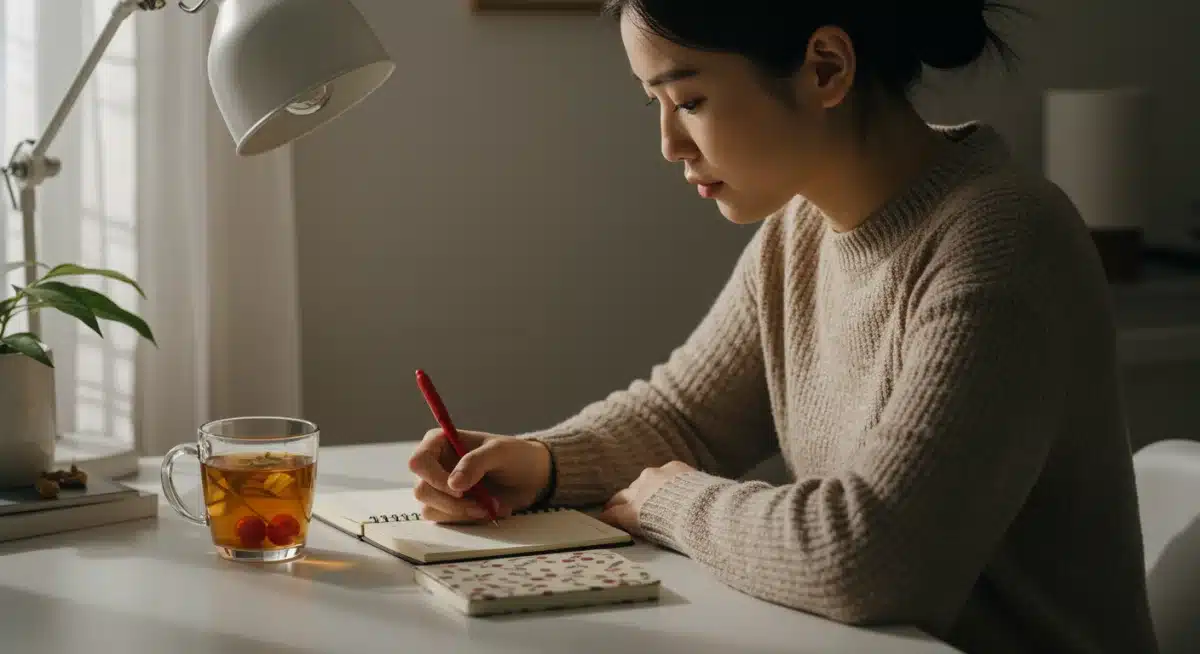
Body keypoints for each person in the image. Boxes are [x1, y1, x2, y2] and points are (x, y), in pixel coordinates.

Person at [408, 1, 1159, 652]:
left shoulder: (1003, 241)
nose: (669, 144)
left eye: (690, 100)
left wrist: (673, 502)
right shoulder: (802, 228)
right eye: (656, 105)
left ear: (826, 67)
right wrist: (543, 465)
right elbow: (686, 418)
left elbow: (871, 558)